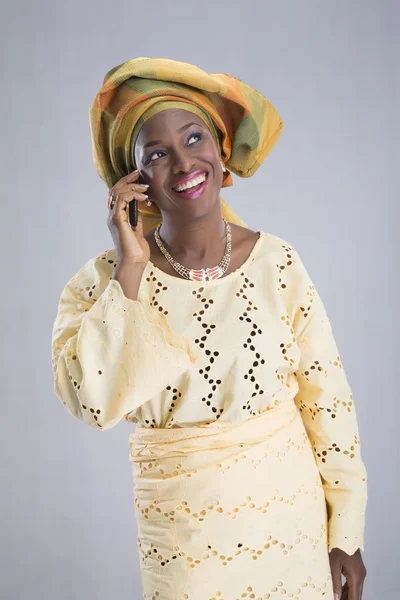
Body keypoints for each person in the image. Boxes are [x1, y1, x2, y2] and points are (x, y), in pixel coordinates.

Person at [51, 57, 368, 600]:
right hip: (183, 540)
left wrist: (346, 534)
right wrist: (130, 266)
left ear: (222, 155)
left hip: (292, 528)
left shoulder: (279, 264)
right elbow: (94, 402)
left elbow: (327, 400)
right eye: (156, 154)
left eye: (194, 137)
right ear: (135, 182)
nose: (182, 162)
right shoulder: (100, 283)